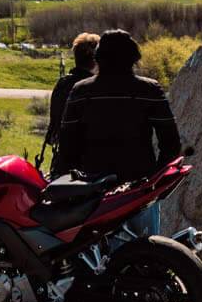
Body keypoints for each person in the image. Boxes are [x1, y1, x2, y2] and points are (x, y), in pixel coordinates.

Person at [54, 28, 181, 234]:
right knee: (147, 256)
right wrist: (153, 183)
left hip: (91, 193)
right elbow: (171, 144)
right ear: (133, 57)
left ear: (99, 58)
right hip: (139, 188)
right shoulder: (150, 90)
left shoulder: (81, 91)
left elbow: (67, 146)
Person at [40, 31, 100, 173]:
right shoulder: (95, 87)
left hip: (63, 161)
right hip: (90, 163)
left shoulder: (63, 84)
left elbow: (54, 127)